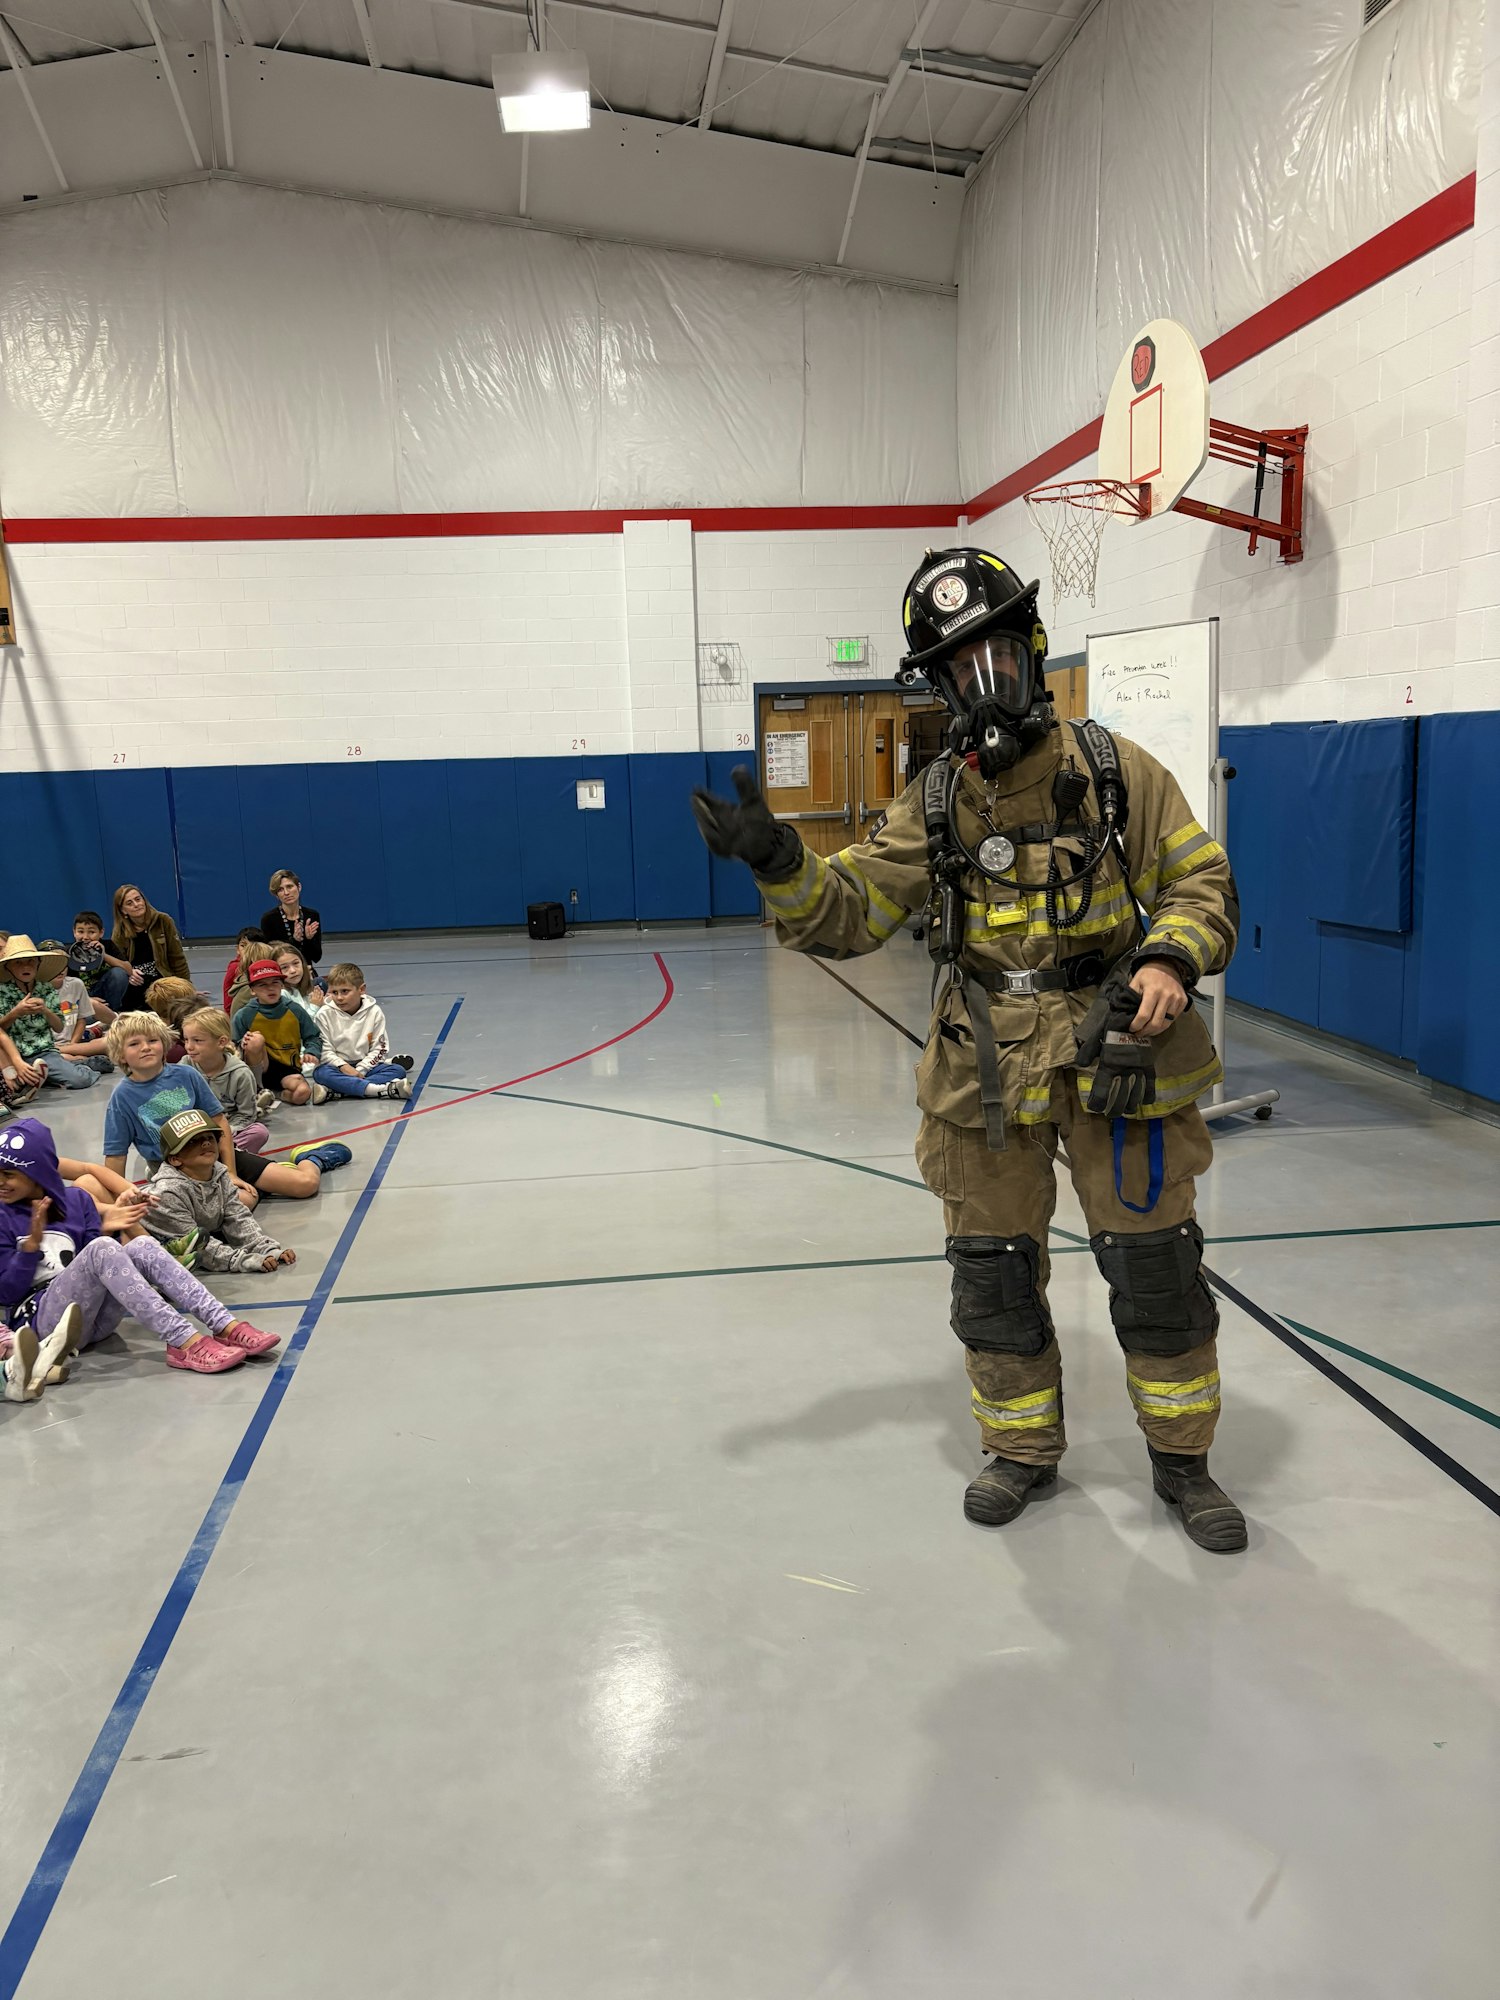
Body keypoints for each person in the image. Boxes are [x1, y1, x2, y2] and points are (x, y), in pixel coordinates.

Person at [691, 545, 1246, 1553]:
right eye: (958, 667)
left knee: (1155, 1266)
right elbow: (849, 913)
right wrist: (781, 862)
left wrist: (1168, 960)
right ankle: (1022, 1447)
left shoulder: (1121, 770)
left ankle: (1183, 1458)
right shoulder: (937, 799)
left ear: (1032, 654)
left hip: (1120, 1052)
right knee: (991, 1271)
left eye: (996, 655)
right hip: (982, 1065)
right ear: (939, 684)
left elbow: (1202, 884)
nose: (983, 682)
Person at [0, 1118, 279, 1385]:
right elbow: (7, 1294)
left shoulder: (76, 1201)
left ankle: (225, 1325)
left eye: (8, 1174)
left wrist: (109, 1226)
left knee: (141, 1245)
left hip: (92, 1323)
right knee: (103, 1248)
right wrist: (30, 1248)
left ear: (37, 1172)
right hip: (38, 1325)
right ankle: (185, 1341)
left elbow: (91, 1269)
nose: (0, 1181)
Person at [101, 1011, 348, 1200]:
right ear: (120, 1055)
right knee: (241, 1201)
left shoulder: (186, 1075)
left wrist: (230, 1172)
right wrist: (119, 1202)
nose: (145, 1047)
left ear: (164, 1044)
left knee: (305, 1186)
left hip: (217, 1158)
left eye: (152, 1040)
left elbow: (220, 1123)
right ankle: (253, 1190)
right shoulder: (122, 1098)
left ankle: (312, 1158)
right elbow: (115, 1156)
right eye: (134, 1044)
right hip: (174, 1174)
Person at [142, 1110, 298, 1276]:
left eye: (210, 1137)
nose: (206, 1143)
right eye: (193, 1141)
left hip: (200, 1231)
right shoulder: (168, 1193)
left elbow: (237, 1217)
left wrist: (266, 1248)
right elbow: (197, 1246)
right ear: (175, 1159)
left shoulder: (219, 1172)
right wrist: (243, 1260)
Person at [0, 935, 98, 1090]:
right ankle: (56, 1072)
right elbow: (1, 1030)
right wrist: (15, 1013)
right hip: (12, 1055)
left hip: (44, 1053)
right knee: (14, 1086)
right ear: (8, 967)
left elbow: (59, 1027)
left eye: (30, 961)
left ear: (38, 964)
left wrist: (45, 1010)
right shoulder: (3, 992)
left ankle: (85, 1067)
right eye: (18, 963)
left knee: (79, 1081)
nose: (25, 967)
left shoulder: (46, 989)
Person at [312, 962, 414, 1100]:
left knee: (397, 1070)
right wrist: (344, 1067)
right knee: (321, 1073)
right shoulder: (324, 1014)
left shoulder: (374, 1011)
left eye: (345, 991)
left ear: (361, 989)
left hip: (366, 1065)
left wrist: (360, 1069)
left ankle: (337, 1091)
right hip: (338, 1067)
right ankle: (382, 1090)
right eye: (334, 992)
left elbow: (380, 1048)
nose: (339, 997)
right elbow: (324, 1051)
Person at [231, 959, 323, 1106]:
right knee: (255, 1040)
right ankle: (255, 1089)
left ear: (281, 985)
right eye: (263, 985)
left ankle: (273, 1094)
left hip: (287, 1067)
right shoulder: (245, 1014)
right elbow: (232, 1046)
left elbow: (312, 1036)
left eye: (275, 983)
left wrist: (312, 1052)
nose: (270, 988)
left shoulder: (294, 1010)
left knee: (302, 1093)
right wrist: (241, 1044)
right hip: (257, 1067)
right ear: (252, 990)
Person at [182, 1006, 269, 1153]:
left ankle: (216, 1156)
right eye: (186, 1040)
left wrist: (223, 1134)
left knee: (259, 1132)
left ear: (221, 1042)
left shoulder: (240, 1074)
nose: (189, 1047)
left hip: (227, 1129)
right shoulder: (184, 1066)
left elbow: (246, 1115)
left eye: (197, 1040)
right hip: (194, 1130)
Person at [111, 884, 190, 990]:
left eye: (138, 899)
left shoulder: (163, 920)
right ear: (123, 910)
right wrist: (129, 972)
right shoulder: (120, 931)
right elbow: (116, 962)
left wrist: (187, 987)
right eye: (129, 903)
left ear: (144, 900)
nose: (136, 904)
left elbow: (177, 957)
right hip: (135, 980)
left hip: (162, 979)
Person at [67, 909, 131, 1016]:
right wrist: (87, 999)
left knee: (118, 973)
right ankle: (96, 1018)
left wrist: (103, 954)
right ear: (74, 932)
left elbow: (128, 970)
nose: (85, 937)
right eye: (80, 931)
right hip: (82, 998)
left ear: (101, 933)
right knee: (74, 1012)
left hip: (103, 994)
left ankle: (111, 1014)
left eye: (91, 932)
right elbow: (63, 986)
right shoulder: (68, 952)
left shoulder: (108, 945)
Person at [260, 870, 323, 967]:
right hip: (281, 972)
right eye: (280, 890)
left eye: (289, 887)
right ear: (276, 895)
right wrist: (294, 940)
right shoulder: (269, 919)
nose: (286, 893)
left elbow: (316, 957)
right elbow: (271, 957)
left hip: (306, 970)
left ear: (299, 887)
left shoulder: (311, 915)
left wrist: (309, 939)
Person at [224, 926, 265, 1013]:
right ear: (237, 949)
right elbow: (227, 995)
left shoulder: (266, 964)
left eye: (252, 946)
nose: (247, 950)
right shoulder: (235, 967)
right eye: (243, 945)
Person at [273, 944, 325, 1009]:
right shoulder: (282, 994)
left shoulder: (306, 987)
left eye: (295, 963)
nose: (293, 971)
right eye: (284, 967)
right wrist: (315, 1006)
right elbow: (299, 1019)